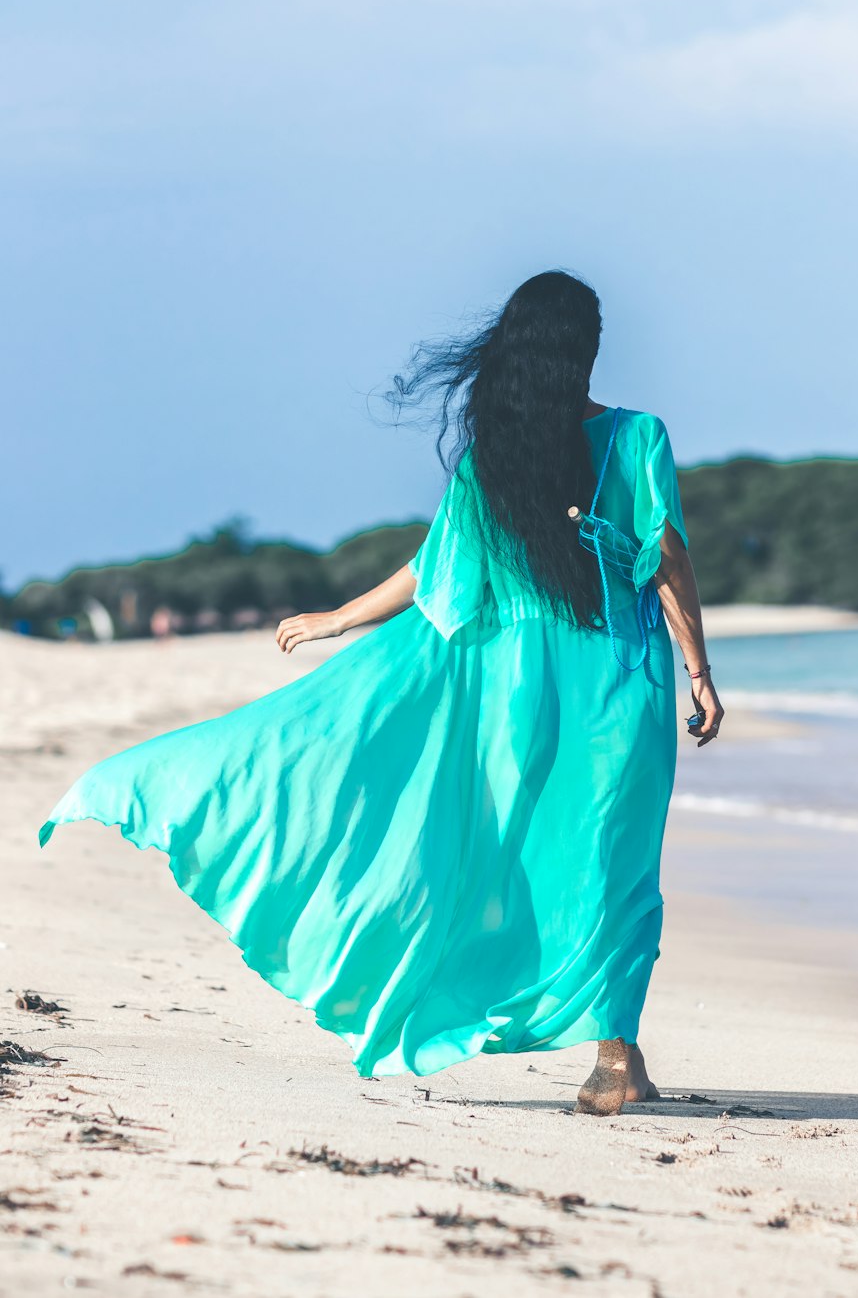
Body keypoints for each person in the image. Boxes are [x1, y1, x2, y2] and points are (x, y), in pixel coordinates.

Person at [39, 271, 723, 1117]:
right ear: (584, 347)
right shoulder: (639, 435)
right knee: (613, 862)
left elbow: (431, 568)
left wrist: (338, 619)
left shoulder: (496, 459)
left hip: (516, 693)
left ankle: (594, 1044)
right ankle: (613, 1054)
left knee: (518, 854)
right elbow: (668, 560)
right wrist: (699, 670)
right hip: (621, 684)